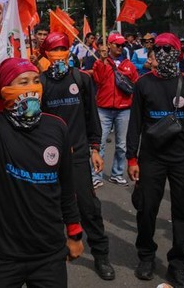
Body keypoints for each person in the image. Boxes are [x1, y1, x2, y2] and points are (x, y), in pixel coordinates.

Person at [0, 2, 83, 287]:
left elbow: (66, 186)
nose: (30, 88)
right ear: (3, 92)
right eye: (21, 82)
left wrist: (74, 232)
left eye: (35, 82)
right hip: (1, 255)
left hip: (49, 254)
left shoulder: (57, 128)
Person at [126, 32, 184, 287]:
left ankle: (178, 265)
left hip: (182, 158)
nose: (162, 53)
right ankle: (146, 256)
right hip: (151, 158)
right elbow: (135, 124)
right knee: (146, 209)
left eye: (167, 49)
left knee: (183, 212)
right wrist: (131, 159)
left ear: (179, 52)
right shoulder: (143, 83)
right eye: (157, 48)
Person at [38, 32, 115, 280]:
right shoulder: (40, 82)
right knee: (49, 208)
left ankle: (101, 255)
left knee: (88, 206)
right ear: (46, 54)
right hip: (50, 156)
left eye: (63, 48)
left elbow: (92, 115)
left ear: (69, 51)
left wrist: (95, 148)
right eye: (54, 49)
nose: (59, 54)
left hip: (80, 153)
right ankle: (51, 254)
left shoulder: (80, 79)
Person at [92, 32, 139, 186]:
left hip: (124, 109)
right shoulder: (101, 63)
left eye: (122, 45)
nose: (120, 47)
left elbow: (136, 85)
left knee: (122, 145)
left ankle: (117, 173)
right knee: (99, 143)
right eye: (117, 45)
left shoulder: (129, 65)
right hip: (103, 109)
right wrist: (102, 61)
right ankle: (95, 176)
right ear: (110, 45)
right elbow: (98, 80)